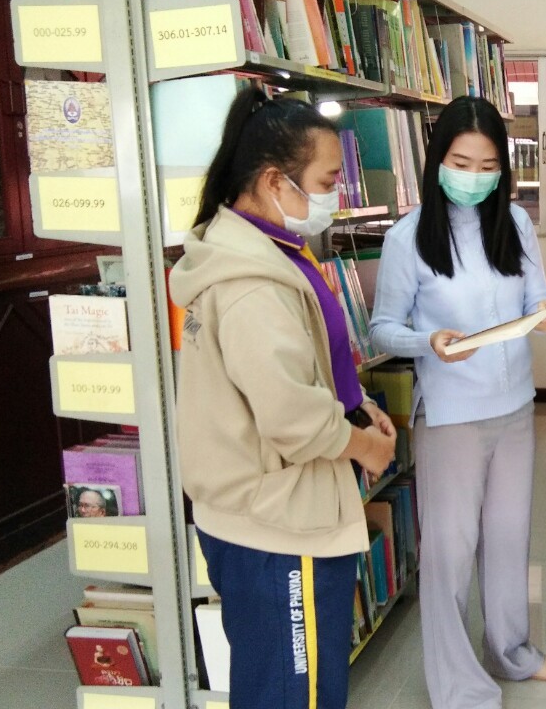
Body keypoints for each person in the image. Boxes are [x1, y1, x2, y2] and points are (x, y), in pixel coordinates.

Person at [169, 88, 397, 709]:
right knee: (295, 694)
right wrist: (365, 447)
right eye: (326, 182)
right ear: (274, 181)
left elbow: (302, 366)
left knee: (278, 684)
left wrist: (356, 406)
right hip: (277, 531)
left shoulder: (259, 250)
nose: (334, 197)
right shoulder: (253, 285)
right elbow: (291, 416)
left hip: (264, 516)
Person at [369, 95, 546, 709]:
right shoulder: (408, 237)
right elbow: (382, 329)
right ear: (437, 161)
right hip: (452, 414)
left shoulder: (516, 223)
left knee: (508, 538)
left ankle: (512, 651)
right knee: (450, 554)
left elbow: (538, 296)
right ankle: (458, 686)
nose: (474, 177)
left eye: (488, 166)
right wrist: (427, 342)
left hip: (515, 407)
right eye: (461, 163)